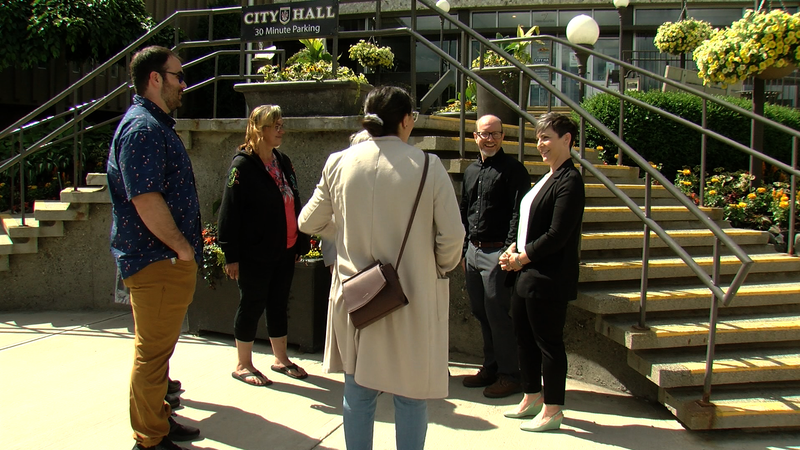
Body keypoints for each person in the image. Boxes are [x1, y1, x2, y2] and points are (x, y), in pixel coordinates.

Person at [298, 86, 465, 450]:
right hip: (411, 297)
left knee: (357, 394)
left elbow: (307, 221)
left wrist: (342, 229)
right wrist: (436, 266)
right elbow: (453, 237)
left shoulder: (338, 162)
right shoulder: (428, 166)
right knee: (411, 396)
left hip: (356, 297)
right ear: (406, 120)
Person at [107, 45, 201, 450]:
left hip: (161, 260)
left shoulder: (153, 125)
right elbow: (145, 199)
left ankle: (159, 419)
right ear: (155, 78)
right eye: (178, 75)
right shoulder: (143, 129)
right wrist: (181, 247)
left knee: (158, 352)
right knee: (151, 356)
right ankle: (149, 440)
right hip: (157, 260)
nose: (184, 83)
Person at [499, 112, 585, 433]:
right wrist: (511, 248)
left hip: (548, 277)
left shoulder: (570, 181)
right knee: (524, 338)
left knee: (548, 343)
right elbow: (527, 224)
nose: (540, 144)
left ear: (567, 140)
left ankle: (553, 409)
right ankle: (531, 396)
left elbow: (557, 234)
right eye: (538, 138)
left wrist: (521, 258)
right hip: (526, 274)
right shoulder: (547, 177)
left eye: (546, 137)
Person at [217, 104, 311, 387]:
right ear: (260, 130)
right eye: (276, 126)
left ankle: (281, 359)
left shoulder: (283, 161)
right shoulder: (242, 166)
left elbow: (295, 199)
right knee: (252, 304)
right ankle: (243, 364)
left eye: (282, 125)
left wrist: (300, 242)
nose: (282, 131)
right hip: (254, 252)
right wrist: (231, 255)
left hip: (285, 249)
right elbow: (229, 212)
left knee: (278, 303)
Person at [460, 114, 531, 398]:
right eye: (484, 134)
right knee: (481, 311)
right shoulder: (470, 171)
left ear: (503, 136)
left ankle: (510, 374)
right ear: (475, 137)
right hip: (473, 251)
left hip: (498, 252)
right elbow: (465, 210)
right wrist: (464, 249)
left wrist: (510, 248)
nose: (489, 139)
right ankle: (490, 367)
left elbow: (518, 213)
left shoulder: (514, 170)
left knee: (498, 314)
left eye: (495, 134)